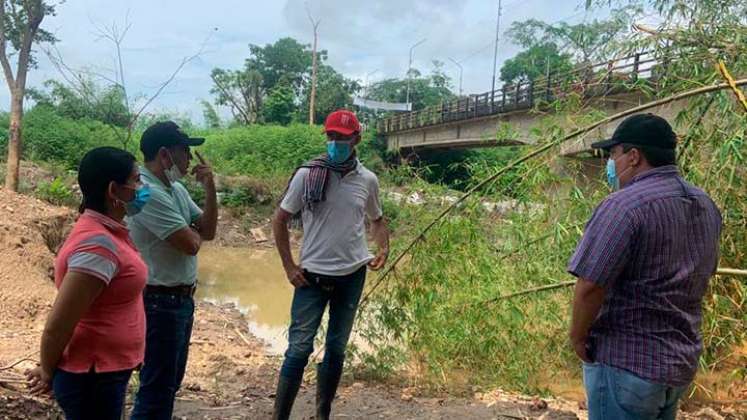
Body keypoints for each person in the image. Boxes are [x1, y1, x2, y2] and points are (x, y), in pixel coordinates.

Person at [567, 113, 722, 420]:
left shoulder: (623, 206)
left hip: (627, 363)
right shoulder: (705, 204)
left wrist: (578, 336)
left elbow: (591, 286)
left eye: (613, 154)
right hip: (678, 363)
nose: (611, 164)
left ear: (634, 156)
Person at [271, 109, 390, 420]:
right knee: (298, 349)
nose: (335, 142)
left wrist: (384, 247)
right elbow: (280, 219)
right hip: (310, 277)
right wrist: (289, 266)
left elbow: (377, 219)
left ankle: (322, 414)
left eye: (342, 137)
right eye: (331, 136)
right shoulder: (307, 175)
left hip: (352, 276)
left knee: (336, 349)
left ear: (357, 140)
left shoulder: (367, 180)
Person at [25, 147, 150, 419]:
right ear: (113, 191)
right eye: (136, 180)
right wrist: (47, 370)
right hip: (93, 378)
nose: (142, 188)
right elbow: (58, 325)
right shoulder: (98, 246)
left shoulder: (106, 233)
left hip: (101, 374)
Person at [129, 121, 218, 419]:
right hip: (158, 302)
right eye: (186, 151)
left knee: (167, 385)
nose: (190, 159)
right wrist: (192, 234)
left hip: (178, 300)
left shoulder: (175, 189)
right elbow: (191, 244)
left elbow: (206, 231)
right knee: (157, 390)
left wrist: (210, 188)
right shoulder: (148, 192)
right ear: (165, 155)